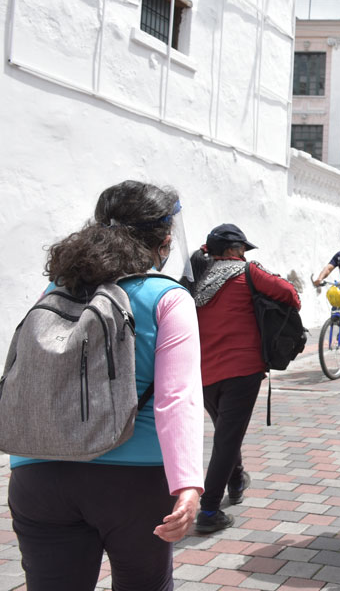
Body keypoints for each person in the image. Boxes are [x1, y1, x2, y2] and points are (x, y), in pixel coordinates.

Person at [8, 181, 205, 590]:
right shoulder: (168, 297)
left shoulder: (55, 290)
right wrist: (188, 484)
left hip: (38, 473)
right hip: (134, 481)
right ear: (164, 240)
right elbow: (177, 397)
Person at [188, 224, 300, 533]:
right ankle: (209, 510)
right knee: (227, 437)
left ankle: (236, 481)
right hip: (242, 370)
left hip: (202, 372)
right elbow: (291, 295)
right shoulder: (247, 272)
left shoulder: (195, 278)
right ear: (233, 251)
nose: (244, 255)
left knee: (226, 432)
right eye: (242, 249)